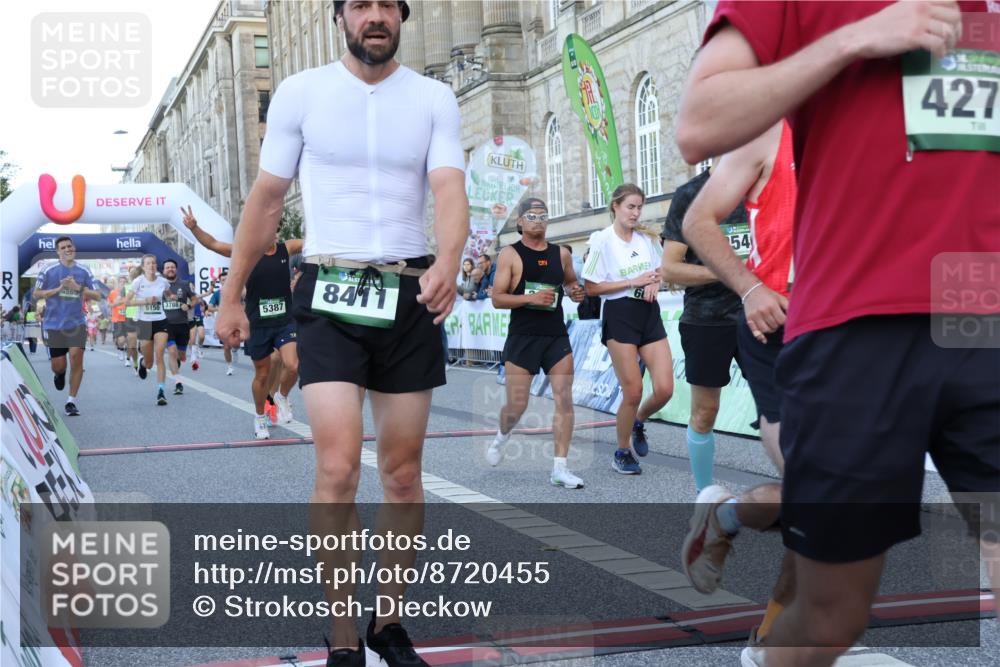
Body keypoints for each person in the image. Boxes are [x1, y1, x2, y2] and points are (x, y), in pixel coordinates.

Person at [677, 2, 999, 664]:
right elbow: (697, 127)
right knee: (835, 608)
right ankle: (754, 592)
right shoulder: (790, 62)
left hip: (980, 314)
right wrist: (853, 40)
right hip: (844, 327)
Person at [213, 0, 468, 664]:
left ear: (403, 16)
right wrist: (231, 293)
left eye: (387, 4)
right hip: (327, 294)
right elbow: (266, 200)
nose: (374, 16)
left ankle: (387, 622)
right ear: (340, 17)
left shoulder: (435, 98)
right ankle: (344, 631)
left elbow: (448, 191)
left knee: (404, 474)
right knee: (337, 466)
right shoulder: (301, 94)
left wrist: (447, 260)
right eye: (361, 5)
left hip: (410, 293)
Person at [677, 120, 796, 664]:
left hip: (852, 329)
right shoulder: (763, 140)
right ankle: (772, 641)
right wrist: (746, 283)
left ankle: (723, 515)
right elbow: (682, 248)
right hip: (760, 323)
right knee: (705, 411)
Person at [660, 165, 750, 493]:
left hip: (760, 311)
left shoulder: (766, 185)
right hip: (707, 318)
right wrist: (725, 272)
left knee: (785, 402)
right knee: (706, 410)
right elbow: (670, 268)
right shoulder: (691, 194)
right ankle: (705, 494)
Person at [486, 198, 586, 488]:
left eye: (543, 215)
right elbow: (497, 299)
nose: (538, 220)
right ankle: (502, 436)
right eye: (532, 215)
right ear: (520, 221)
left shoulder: (561, 254)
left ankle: (560, 468)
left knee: (564, 398)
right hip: (523, 337)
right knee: (517, 406)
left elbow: (569, 283)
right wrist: (530, 298)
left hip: (555, 336)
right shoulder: (510, 254)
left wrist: (575, 292)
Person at [183, 205, 302, 439]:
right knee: (262, 374)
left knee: (294, 365)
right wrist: (194, 227)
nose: (271, 234)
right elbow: (213, 244)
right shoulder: (246, 251)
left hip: (285, 320)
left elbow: (315, 241)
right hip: (258, 323)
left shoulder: (286, 248)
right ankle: (259, 416)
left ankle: (282, 396)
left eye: (274, 229)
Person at [582, 184, 673, 475]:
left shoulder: (647, 238)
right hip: (620, 315)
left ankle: (638, 420)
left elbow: (660, 272)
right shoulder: (602, 240)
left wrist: (656, 281)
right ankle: (622, 452)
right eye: (630, 207)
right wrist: (632, 282)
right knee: (632, 390)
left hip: (648, 314)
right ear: (616, 207)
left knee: (665, 389)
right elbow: (591, 287)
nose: (635, 213)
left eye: (638, 207)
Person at [32, 236, 102, 416]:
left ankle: (71, 401)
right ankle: (60, 374)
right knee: (59, 365)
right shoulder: (48, 270)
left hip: (77, 323)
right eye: (62, 247)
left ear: (74, 248)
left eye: (69, 246)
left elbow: (97, 295)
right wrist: (57, 290)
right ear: (58, 251)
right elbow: (36, 293)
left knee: (76, 357)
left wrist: (77, 287)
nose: (67, 249)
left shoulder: (84, 270)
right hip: (54, 325)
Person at [125, 254, 174, 406]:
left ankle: (161, 392)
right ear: (143, 266)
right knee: (149, 363)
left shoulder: (163, 281)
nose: (151, 266)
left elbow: (167, 293)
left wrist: (171, 297)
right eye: (148, 263)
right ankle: (141, 361)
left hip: (161, 321)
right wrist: (145, 301)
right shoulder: (138, 282)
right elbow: (127, 302)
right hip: (144, 323)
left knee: (160, 356)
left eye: (153, 263)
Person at [161, 258, 198, 396]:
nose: (170, 269)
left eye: (172, 267)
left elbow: (195, 299)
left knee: (181, 356)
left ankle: (176, 366)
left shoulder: (185, 284)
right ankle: (178, 382)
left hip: (182, 324)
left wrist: (188, 306)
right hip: (165, 324)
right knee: (171, 351)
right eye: (167, 267)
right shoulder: (159, 286)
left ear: (176, 269)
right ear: (163, 270)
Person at [207, 275, 237, 376]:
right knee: (226, 347)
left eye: (227, 279)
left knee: (235, 344)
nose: (225, 281)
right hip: (223, 322)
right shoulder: (217, 294)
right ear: (220, 282)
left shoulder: (238, 291)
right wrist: (218, 309)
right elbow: (210, 308)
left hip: (236, 321)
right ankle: (229, 366)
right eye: (223, 280)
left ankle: (235, 349)